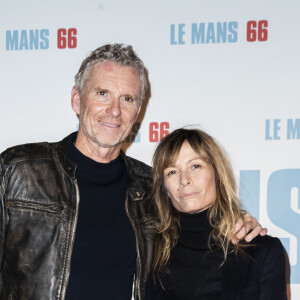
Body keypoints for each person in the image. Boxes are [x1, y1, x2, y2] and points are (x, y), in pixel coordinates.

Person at [0, 44, 265, 300]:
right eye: (102, 94)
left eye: (127, 99)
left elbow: (199, 227)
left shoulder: (152, 187)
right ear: (77, 100)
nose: (114, 111)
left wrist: (237, 221)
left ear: (137, 111)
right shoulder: (17, 170)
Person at [148, 128, 287, 300]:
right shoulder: (151, 252)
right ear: (164, 188)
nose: (184, 179)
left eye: (195, 166)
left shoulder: (261, 251)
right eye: (172, 172)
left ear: (217, 174)